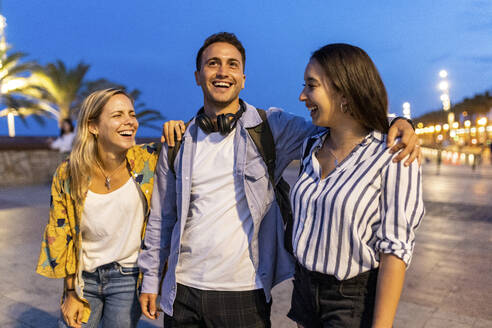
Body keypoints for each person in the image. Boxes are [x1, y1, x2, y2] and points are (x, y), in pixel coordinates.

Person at [138, 32, 419, 328]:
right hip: (183, 289)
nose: (223, 72)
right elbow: (162, 217)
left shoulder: (271, 127)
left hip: (245, 290)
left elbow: (347, 128)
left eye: (232, 64)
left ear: (243, 78)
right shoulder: (178, 141)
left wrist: (399, 122)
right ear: (198, 75)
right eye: (213, 64)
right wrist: (151, 278)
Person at [288, 44, 425, 327]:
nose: (302, 96)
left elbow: (395, 250)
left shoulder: (392, 152)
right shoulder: (310, 145)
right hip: (304, 291)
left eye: (311, 86)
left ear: (344, 92)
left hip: (351, 301)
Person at [36, 88, 161, 328]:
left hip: (129, 276)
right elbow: (62, 236)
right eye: (117, 115)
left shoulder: (148, 160)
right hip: (84, 278)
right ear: (93, 126)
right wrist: (70, 292)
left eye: (132, 114)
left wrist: (175, 127)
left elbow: (190, 141)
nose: (130, 122)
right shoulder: (68, 173)